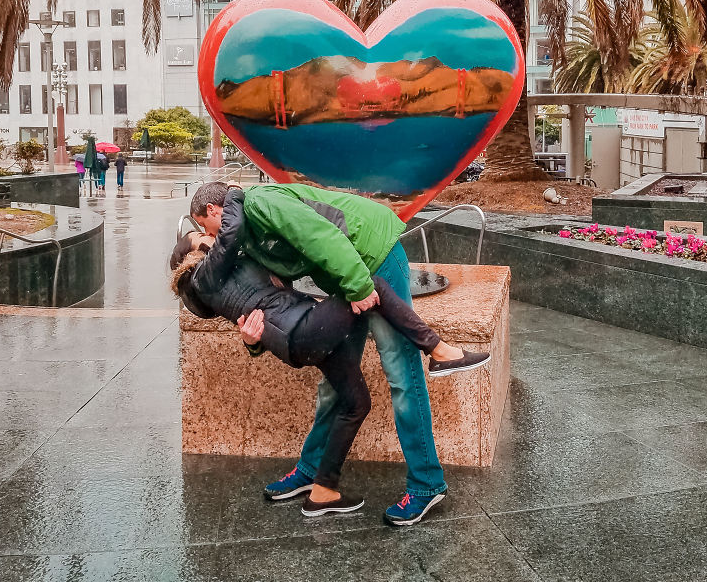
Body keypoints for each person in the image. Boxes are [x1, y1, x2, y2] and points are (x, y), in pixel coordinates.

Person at [189, 181, 488, 526]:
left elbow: (320, 236)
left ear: (212, 210)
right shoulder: (246, 234)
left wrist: (360, 286)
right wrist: (254, 340)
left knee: (401, 372)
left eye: (203, 227)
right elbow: (270, 302)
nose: (208, 236)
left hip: (372, 255)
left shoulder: (259, 202)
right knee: (335, 385)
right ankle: (312, 470)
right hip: (346, 277)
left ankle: (426, 484)